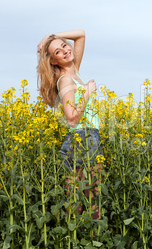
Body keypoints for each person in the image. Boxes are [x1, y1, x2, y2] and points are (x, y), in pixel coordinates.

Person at [37, 30, 103, 220]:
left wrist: (48, 37)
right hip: (82, 138)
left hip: (86, 137)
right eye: (58, 51)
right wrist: (87, 92)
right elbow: (72, 118)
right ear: (53, 61)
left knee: (82, 201)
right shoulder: (66, 79)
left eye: (65, 45)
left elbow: (81, 35)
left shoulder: (74, 71)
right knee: (85, 202)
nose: (66, 50)